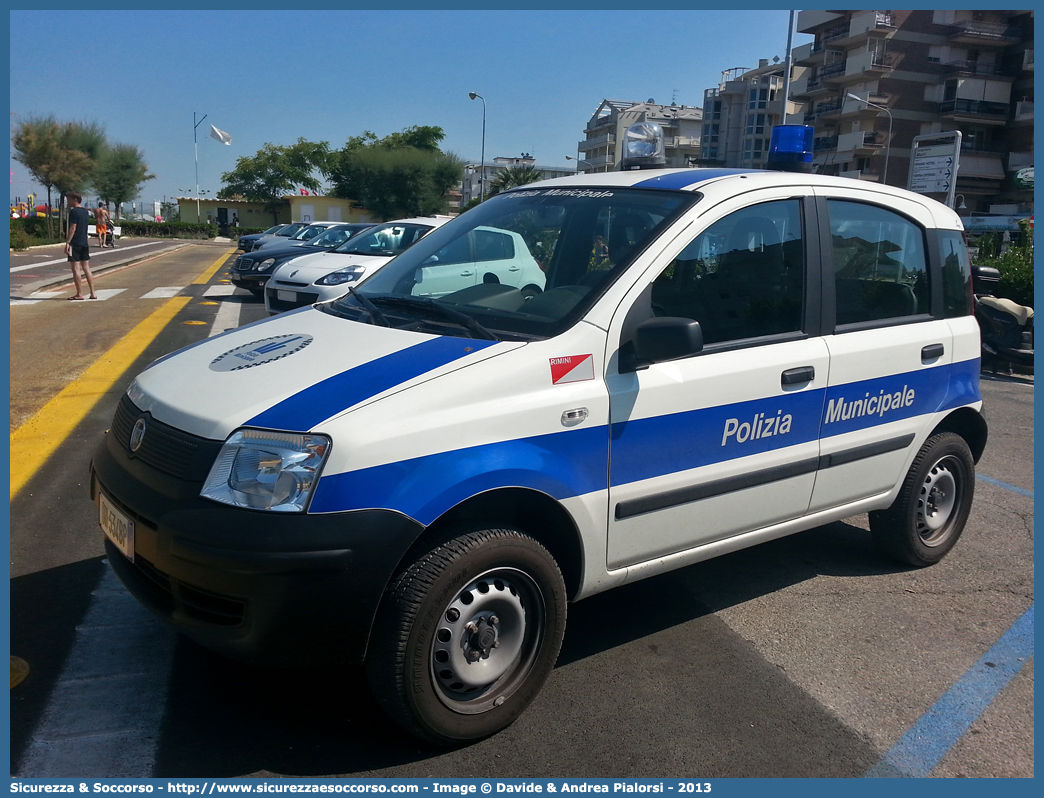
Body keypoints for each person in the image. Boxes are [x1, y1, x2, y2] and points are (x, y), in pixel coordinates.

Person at [64, 191, 97, 300]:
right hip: (84, 242)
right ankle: (93, 292)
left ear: (74, 199)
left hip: (75, 243)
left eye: (68, 199)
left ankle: (79, 293)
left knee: (76, 269)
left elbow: (73, 228)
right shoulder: (85, 212)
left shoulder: (74, 212)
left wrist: (68, 242)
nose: (67, 202)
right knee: (86, 268)